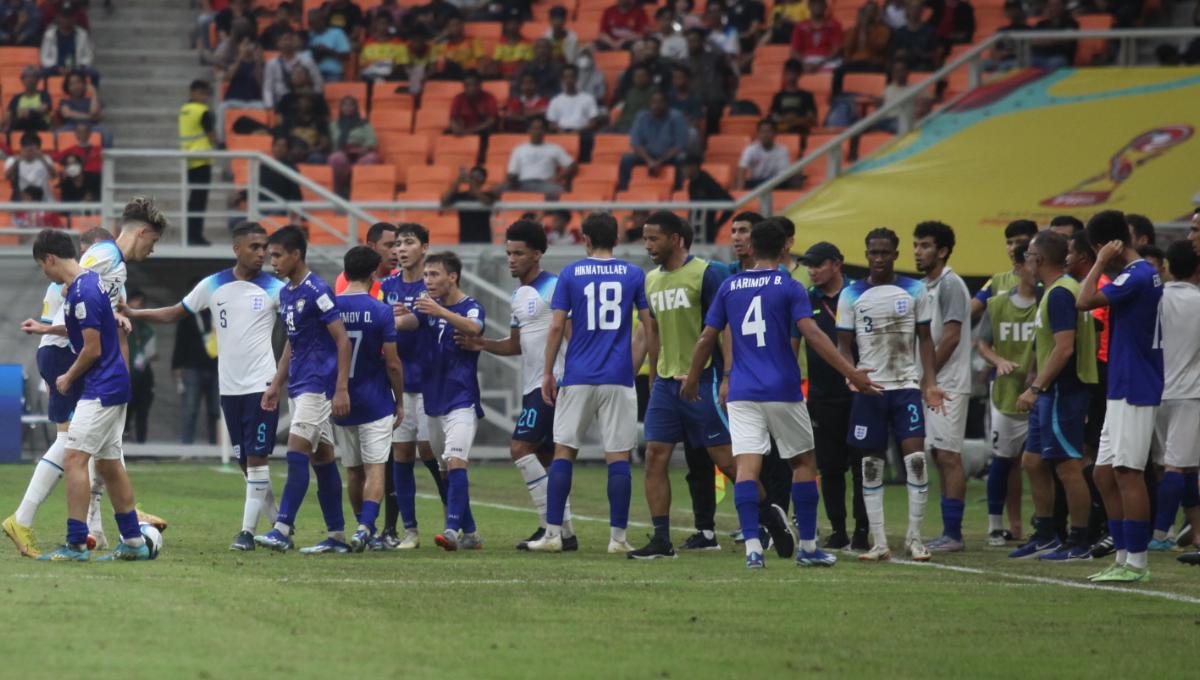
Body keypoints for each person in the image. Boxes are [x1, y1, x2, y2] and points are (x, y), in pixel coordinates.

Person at [681, 220, 880, 568]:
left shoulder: (730, 286)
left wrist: (693, 378)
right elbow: (813, 334)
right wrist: (851, 372)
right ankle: (806, 548)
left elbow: (707, 336)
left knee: (746, 466)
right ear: (786, 249)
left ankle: (754, 549)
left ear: (753, 248)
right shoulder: (789, 287)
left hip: (742, 389)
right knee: (803, 462)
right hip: (783, 388)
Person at [123, 222, 286, 550]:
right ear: (237, 248)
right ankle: (279, 525)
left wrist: (280, 381)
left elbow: (299, 331)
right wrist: (133, 313)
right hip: (230, 388)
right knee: (246, 460)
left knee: (256, 459)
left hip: (262, 385)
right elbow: (174, 313)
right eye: (255, 247)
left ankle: (246, 534)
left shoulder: (276, 288)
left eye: (265, 247)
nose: (262, 253)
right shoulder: (214, 284)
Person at [632, 212, 766, 559]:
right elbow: (654, 332)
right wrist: (653, 375)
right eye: (645, 239)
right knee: (654, 456)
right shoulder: (650, 281)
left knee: (728, 460)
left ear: (676, 239)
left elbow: (728, 328)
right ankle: (662, 539)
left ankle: (767, 520)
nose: (648, 246)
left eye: (654, 239)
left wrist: (727, 376)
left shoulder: (709, 273)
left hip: (704, 378)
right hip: (665, 382)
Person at [525, 213, 650, 554]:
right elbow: (648, 328)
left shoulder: (570, 273)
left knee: (564, 451)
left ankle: (552, 533)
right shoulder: (634, 274)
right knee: (618, 456)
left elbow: (555, 328)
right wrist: (637, 367)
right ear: (617, 240)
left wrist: (548, 372)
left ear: (585, 239)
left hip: (578, 375)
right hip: (618, 377)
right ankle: (618, 539)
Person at [454, 220, 578, 549]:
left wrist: (569, 377)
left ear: (538, 254)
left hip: (554, 384)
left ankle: (548, 528)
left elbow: (572, 336)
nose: (511, 259)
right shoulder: (518, 294)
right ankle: (563, 532)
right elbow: (516, 344)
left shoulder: (555, 287)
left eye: (519, 253)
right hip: (534, 384)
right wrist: (482, 344)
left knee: (520, 448)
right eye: (508, 253)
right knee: (549, 458)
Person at [30, 230, 151, 562]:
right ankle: (134, 541)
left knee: (73, 459)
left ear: (51, 259)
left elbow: (92, 348)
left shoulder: (82, 291)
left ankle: (76, 543)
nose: (46, 274)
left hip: (100, 386)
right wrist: (45, 329)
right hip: (114, 384)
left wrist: (68, 376)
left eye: (43, 266)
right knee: (109, 465)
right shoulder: (91, 283)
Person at [838, 227, 946, 562]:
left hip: (905, 387)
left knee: (915, 460)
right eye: (874, 252)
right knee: (870, 466)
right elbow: (843, 344)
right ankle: (880, 542)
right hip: (871, 390)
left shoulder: (914, 289)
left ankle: (915, 538)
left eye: (885, 252)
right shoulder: (851, 294)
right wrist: (851, 375)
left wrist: (930, 383)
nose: (879, 258)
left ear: (896, 254)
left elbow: (925, 340)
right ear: (867, 254)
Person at [4, 226, 108, 558]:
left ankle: (112, 520)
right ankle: (23, 518)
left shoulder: (78, 281)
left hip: (61, 354)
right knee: (74, 441)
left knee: (100, 438)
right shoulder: (75, 283)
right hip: (64, 356)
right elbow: (74, 329)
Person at [1075, 210, 1164, 583]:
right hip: (1122, 385)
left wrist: (1097, 263)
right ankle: (1124, 555)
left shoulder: (1136, 274)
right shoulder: (1142, 272)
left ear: (1103, 245)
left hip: (1136, 385)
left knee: (1128, 473)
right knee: (1104, 473)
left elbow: (1083, 300)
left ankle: (1138, 564)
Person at [255, 226, 354, 554]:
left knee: (296, 451)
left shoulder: (317, 290)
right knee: (323, 458)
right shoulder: (287, 293)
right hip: (299, 384)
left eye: (278, 255)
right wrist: (276, 384)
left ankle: (282, 527)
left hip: (318, 386)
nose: (273, 262)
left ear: (297, 255)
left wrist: (341, 388)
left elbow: (342, 340)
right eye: (271, 256)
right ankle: (337, 536)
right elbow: (292, 345)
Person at [1009, 230, 1098, 562]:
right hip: (1051, 390)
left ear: (1040, 259)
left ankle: (1079, 541)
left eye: (1029, 255)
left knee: (1068, 466)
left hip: (1063, 390)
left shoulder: (1061, 293)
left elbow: (1063, 349)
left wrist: (1035, 388)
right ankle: (1046, 534)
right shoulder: (1054, 291)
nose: (1025, 260)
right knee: (1032, 461)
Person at [394, 252, 486, 551]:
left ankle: (452, 529)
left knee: (457, 459)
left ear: (452, 277)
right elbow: (407, 323)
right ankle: (470, 532)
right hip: (432, 400)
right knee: (445, 468)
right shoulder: (426, 308)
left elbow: (474, 328)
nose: (428, 281)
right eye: (426, 275)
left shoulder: (470, 306)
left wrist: (438, 311)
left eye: (434, 275)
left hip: (461, 399)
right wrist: (386, 316)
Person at [380, 223, 450, 549]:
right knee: (402, 453)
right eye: (397, 244)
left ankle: (456, 521)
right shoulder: (387, 285)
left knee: (431, 452)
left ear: (424, 247)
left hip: (430, 380)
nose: (401, 249)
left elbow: (415, 320)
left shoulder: (431, 283)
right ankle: (410, 531)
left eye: (408, 242)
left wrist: (386, 320)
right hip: (400, 381)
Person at [334, 246, 405, 552]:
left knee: (352, 470)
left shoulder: (331, 307)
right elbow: (392, 362)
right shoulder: (381, 310)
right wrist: (399, 400)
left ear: (345, 271)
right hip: (374, 399)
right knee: (376, 468)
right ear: (374, 272)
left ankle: (360, 526)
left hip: (340, 400)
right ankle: (367, 527)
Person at [798, 241, 867, 550]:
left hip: (858, 391)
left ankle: (863, 529)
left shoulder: (858, 293)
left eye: (818, 264)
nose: (812, 270)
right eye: (808, 265)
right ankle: (838, 529)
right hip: (822, 394)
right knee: (829, 466)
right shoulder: (804, 299)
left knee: (862, 463)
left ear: (837, 264)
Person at [912, 221, 972, 553]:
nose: (918, 252)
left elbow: (950, 337)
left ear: (943, 250)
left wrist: (928, 379)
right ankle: (948, 529)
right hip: (933, 382)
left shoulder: (951, 285)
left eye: (925, 245)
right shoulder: (925, 286)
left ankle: (954, 533)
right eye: (916, 245)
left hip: (947, 384)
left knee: (949, 455)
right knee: (938, 454)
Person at [974, 242, 1036, 547]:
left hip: (1041, 395)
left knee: (1042, 464)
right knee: (1001, 461)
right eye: (1030, 263)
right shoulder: (998, 305)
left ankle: (1046, 525)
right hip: (1006, 395)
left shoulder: (1051, 301)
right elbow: (982, 342)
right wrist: (998, 361)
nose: (1035, 270)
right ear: (1018, 268)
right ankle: (995, 525)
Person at [1148, 240, 1200, 552]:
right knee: (1177, 467)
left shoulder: (1156, 298)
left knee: (1184, 467)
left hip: (1156, 391)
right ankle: (1160, 534)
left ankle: (1196, 533)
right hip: (1190, 393)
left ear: (1166, 267)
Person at [969, 219, 1038, 321]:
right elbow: (969, 310)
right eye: (1009, 243)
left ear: (1034, 242)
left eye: (1020, 242)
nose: (1013, 248)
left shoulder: (1045, 278)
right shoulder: (997, 280)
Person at [618, 90, 688, 190]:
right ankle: (624, 192)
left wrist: (660, 161)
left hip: (669, 156)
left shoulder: (676, 117)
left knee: (683, 159)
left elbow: (679, 145)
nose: (656, 105)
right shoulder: (641, 117)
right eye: (654, 102)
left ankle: (678, 193)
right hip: (648, 155)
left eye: (660, 102)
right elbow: (636, 144)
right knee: (626, 159)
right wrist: (649, 161)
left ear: (666, 104)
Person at [179, 80, 216, 246]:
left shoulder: (184, 110)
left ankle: (191, 234)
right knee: (199, 200)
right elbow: (211, 135)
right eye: (203, 93)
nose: (205, 97)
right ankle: (196, 236)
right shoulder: (202, 111)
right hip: (202, 159)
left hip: (189, 159)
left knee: (193, 199)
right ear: (194, 93)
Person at [504, 116, 576, 198]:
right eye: (534, 128)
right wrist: (513, 181)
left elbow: (572, 166)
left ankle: (549, 211)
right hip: (523, 183)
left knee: (559, 193)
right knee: (495, 190)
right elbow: (512, 173)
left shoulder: (554, 148)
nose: (537, 132)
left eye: (540, 129)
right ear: (528, 131)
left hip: (545, 184)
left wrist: (557, 178)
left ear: (545, 131)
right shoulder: (519, 149)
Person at [327, 96, 380, 198]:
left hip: (360, 155)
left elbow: (372, 141)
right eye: (345, 105)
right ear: (341, 108)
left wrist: (363, 148)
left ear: (356, 108)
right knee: (336, 158)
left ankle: (356, 187)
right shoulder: (333, 125)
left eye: (351, 105)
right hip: (342, 154)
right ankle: (339, 190)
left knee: (372, 158)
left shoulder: (364, 124)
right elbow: (331, 144)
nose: (348, 107)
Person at [262, 27, 324, 109]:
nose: (287, 42)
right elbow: (268, 88)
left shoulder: (307, 60)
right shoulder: (272, 63)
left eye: (290, 39)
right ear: (278, 43)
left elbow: (318, 82)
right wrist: (269, 106)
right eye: (284, 40)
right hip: (281, 104)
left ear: (295, 42)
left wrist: (315, 100)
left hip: (304, 103)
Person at [123, 290, 155, 444]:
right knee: (124, 412)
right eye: (135, 302)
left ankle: (142, 445)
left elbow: (153, 352)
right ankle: (122, 442)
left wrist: (146, 354)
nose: (138, 306)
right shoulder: (120, 325)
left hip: (143, 378)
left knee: (142, 412)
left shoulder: (147, 329)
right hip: (125, 376)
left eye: (141, 304)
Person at [334, 222, 398, 296]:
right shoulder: (351, 278)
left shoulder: (402, 278)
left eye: (398, 245)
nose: (395, 251)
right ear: (371, 247)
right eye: (389, 245)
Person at [39, 9, 98, 84]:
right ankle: (45, 95)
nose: (66, 20)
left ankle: (94, 95)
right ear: (58, 18)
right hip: (55, 68)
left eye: (69, 17)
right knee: (42, 73)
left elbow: (88, 55)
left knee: (94, 74)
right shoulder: (49, 35)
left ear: (74, 19)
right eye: (64, 17)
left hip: (77, 68)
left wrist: (79, 66)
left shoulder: (82, 34)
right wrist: (57, 68)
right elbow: (44, 57)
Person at [55, 69, 110, 147]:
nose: (76, 86)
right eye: (72, 84)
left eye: (78, 82)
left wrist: (94, 94)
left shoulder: (91, 100)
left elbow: (94, 112)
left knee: (106, 133)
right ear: (67, 87)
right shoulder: (65, 101)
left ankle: (105, 158)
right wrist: (90, 117)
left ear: (84, 84)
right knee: (57, 134)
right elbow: (67, 114)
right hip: (72, 125)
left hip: (91, 126)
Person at [441, 166, 495, 243]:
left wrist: (471, 183)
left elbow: (487, 201)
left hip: (484, 241)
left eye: (477, 177)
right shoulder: (462, 196)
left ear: (484, 180)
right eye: (472, 177)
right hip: (465, 240)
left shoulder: (488, 194)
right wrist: (458, 181)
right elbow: (444, 201)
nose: (474, 179)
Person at [736, 118, 792, 190]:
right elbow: (742, 168)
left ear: (775, 133)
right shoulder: (750, 149)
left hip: (775, 183)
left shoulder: (782, 150)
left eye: (769, 131)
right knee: (738, 181)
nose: (765, 135)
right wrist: (739, 190)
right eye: (762, 132)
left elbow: (783, 175)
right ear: (758, 134)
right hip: (757, 182)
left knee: (792, 178)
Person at [789, 0, 843, 72]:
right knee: (792, 68)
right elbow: (794, 51)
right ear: (809, 6)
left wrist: (820, 64)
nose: (817, 6)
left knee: (838, 69)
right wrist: (805, 63)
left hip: (827, 60)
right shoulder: (800, 26)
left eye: (820, 3)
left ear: (825, 6)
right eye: (814, 3)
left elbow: (836, 50)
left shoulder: (834, 25)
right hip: (806, 60)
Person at [5, 130, 56, 200]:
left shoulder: (46, 159)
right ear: (22, 148)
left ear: (39, 148)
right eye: (27, 148)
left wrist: (42, 159)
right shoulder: (12, 160)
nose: (30, 152)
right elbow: (8, 177)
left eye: (33, 149)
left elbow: (54, 176)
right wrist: (18, 160)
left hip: (44, 200)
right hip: (22, 200)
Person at [770, 59, 817, 134]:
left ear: (799, 74)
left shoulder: (807, 96)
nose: (791, 76)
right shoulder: (778, 96)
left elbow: (811, 118)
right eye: (788, 73)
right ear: (784, 74)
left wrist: (795, 120)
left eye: (794, 73)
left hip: (800, 129)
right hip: (783, 128)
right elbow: (774, 117)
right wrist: (786, 119)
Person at [889, 1, 939, 71]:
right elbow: (893, 53)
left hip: (923, 64)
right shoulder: (899, 32)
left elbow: (935, 53)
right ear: (907, 10)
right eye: (912, 8)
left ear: (922, 11)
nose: (915, 10)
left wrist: (922, 55)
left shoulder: (929, 31)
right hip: (904, 64)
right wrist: (901, 53)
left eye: (917, 8)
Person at [448, 70, 498, 137]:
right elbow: (453, 118)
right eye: (468, 85)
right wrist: (456, 129)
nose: (472, 88)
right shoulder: (458, 98)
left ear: (480, 85)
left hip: (482, 132)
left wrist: (469, 131)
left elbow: (492, 120)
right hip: (463, 131)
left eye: (475, 85)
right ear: (464, 86)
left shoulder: (489, 98)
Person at [1030, 0, 1079, 70]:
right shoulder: (1041, 24)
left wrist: (1046, 41)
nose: (1053, 8)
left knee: (1055, 62)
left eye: (1057, 5)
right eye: (1050, 5)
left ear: (1063, 7)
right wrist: (1051, 41)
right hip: (1039, 56)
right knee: (1018, 63)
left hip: (1059, 57)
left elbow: (1067, 39)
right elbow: (1032, 40)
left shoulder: (1072, 23)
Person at [307, 9, 351, 82]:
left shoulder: (337, 33)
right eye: (310, 23)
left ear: (322, 20)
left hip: (333, 73)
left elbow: (346, 56)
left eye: (313, 22)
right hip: (314, 74)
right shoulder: (310, 36)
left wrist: (327, 51)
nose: (310, 25)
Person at [6, 65, 52, 132]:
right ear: (22, 80)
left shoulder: (44, 95)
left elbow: (43, 109)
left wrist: (29, 112)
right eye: (27, 77)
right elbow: (9, 115)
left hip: (39, 125)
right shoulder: (16, 98)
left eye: (33, 77)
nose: (30, 79)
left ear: (38, 80)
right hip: (21, 126)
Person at [612, 64, 655, 132]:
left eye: (642, 76)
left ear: (648, 77)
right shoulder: (630, 92)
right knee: (603, 132)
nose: (639, 79)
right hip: (624, 123)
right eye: (636, 76)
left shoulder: (655, 93)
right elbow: (620, 107)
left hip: (642, 126)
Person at [488, 15, 532, 80]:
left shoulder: (527, 43)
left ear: (520, 25)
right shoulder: (500, 42)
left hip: (520, 76)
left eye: (515, 24)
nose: (512, 26)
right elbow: (496, 61)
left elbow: (527, 63)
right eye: (509, 24)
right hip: (502, 75)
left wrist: (515, 74)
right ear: (505, 26)